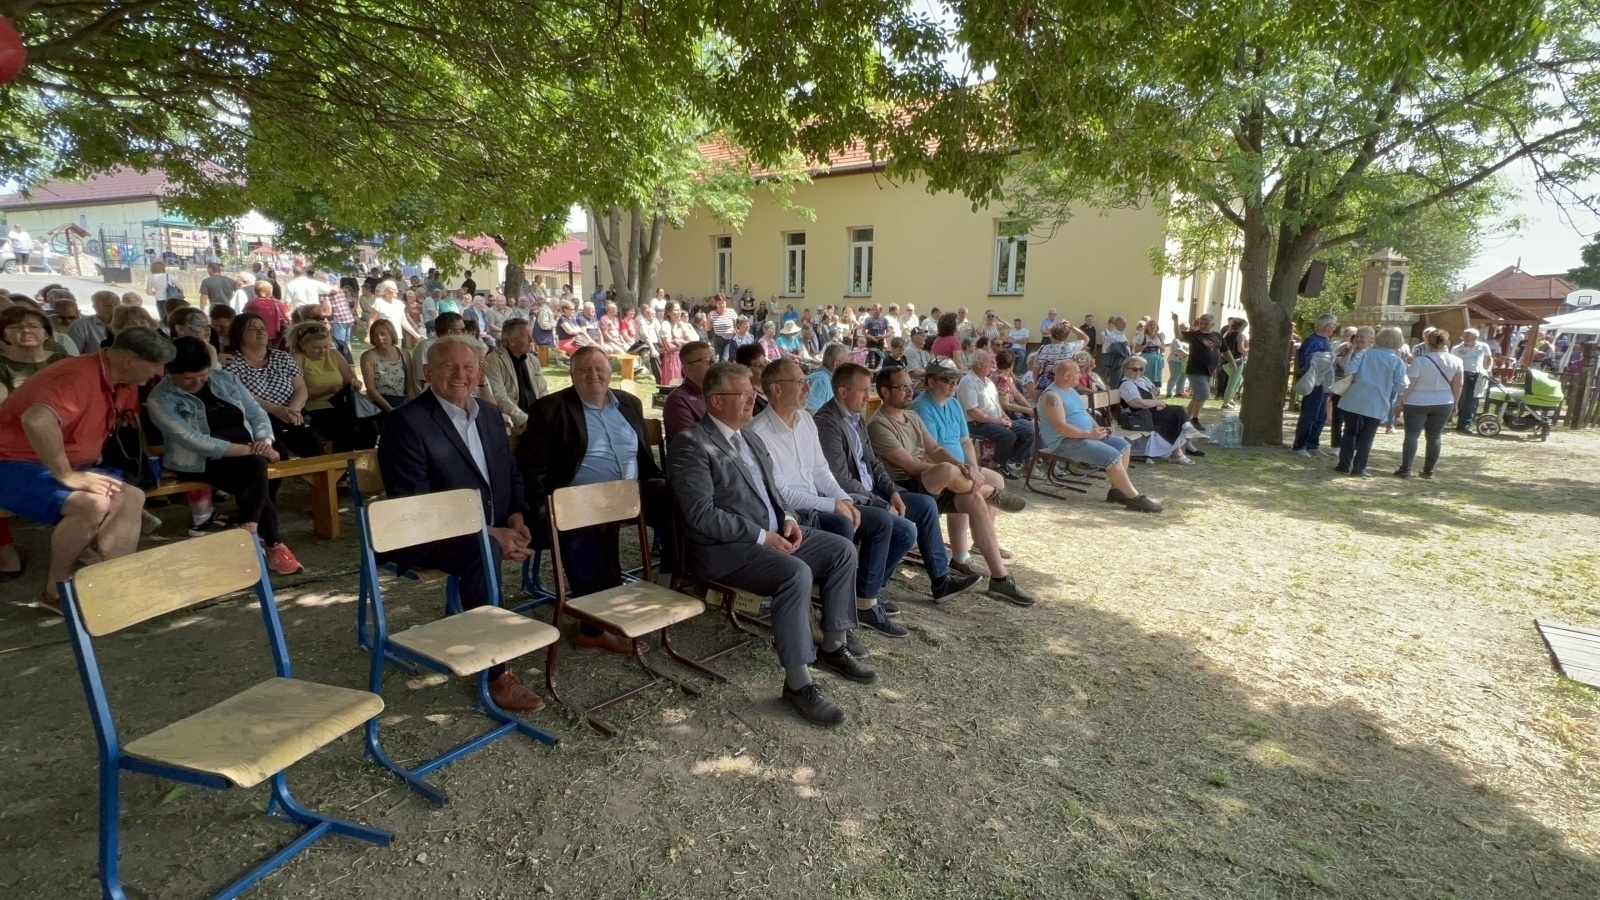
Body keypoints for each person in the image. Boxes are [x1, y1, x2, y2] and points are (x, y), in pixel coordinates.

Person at [668, 361, 870, 727]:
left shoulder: (748, 438)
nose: (752, 400)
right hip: (725, 550)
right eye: (743, 394)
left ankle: (833, 645)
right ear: (715, 401)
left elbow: (775, 493)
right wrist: (764, 536)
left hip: (772, 534)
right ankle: (798, 684)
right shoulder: (691, 445)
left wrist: (789, 520)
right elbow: (701, 515)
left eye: (752, 392)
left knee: (841, 549)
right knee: (795, 573)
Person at [377, 337, 542, 711]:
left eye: (468, 367)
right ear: (426, 373)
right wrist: (489, 533)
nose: (460, 375)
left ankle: (588, 623)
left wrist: (516, 516)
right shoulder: (405, 422)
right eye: (449, 367)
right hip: (425, 534)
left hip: (489, 524)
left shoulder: (487, 413)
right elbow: (414, 505)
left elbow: (509, 473)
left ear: (480, 372)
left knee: (550, 520)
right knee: (483, 551)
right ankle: (495, 673)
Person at [0, 327, 172, 609]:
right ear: (129, 360)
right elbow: (37, 421)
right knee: (91, 504)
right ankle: (56, 590)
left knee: (132, 497)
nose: (158, 372)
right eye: (154, 364)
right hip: (10, 463)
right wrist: (66, 475)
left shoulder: (122, 378)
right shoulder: (78, 374)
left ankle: (119, 585)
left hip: (65, 463)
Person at [518, 347, 669, 655]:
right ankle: (595, 627)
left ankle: (674, 580)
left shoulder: (629, 402)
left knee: (678, 500)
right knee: (586, 523)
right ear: (571, 375)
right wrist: (539, 508)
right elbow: (531, 468)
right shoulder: (551, 409)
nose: (593, 375)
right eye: (584, 370)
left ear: (610, 372)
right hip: (576, 501)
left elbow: (642, 454)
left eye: (599, 368)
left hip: (629, 494)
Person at [748, 360, 914, 638]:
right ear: (776, 389)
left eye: (805, 381)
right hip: (790, 514)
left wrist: (842, 499)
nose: (807, 387)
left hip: (816, 502)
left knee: (881, 521)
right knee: (842, 525)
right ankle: (838, 624)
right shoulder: (758, 433)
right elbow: (780, 494)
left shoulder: (805, 421)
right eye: (799, 382)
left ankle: (865, 601)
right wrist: (833, 505)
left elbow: (820, 470)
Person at [815, 363, 980, 603]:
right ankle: (866, 591)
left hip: (872, 490)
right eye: (862, 390)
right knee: (904, 529)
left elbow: (873, 463)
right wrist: (881, 503)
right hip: (850, 497)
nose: (867, 395)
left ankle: (940, 581)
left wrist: (891, 492)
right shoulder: (828, 422)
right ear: (842, 392)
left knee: (925, 505)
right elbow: (840, 479)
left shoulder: (856, 418)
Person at [870, 364, 1032, 604]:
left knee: (973, 498)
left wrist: (964, 467)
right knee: (947, 470)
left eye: (909, 385)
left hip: (929, 484)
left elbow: (934, 449)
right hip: (902, 488)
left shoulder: (912, 417)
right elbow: (911, 467)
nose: (909, 391)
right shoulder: (878, 424)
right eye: (902, 387)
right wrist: (954, 469)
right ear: (884, 392)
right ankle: (991, 492)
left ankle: (1000, 580)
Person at [147, 337, 303, 575]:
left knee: (258, 467)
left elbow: (256, 413)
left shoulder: (225, 379)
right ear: (170, 372)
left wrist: (264, 439)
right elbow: (192, 439)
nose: (197, 382)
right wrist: (250, 449)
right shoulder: (160, 399)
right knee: (254, 468)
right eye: (188, 378)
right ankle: (269, 541)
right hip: (200, 460)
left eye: (202, 375)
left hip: (248, 454)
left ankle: (252, 531)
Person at [1039, 358, 1164, 512]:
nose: (1080, 376)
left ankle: (1116, 491)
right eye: (1077, 373)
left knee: (1123, 446)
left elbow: (1083, 413)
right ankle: (1135, 499)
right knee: (1112, 456)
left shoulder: (1070, 391)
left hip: (1084, 436)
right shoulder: (1051, 396)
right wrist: (1089, 434)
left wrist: (1099, 429)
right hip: (1065, 442)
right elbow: (1061, 428)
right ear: (1066, 376)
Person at [225, 313, 324, 460]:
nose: (260, 332)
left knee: (314, 445)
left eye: (262, 328)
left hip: (290, 415)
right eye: (252, 329)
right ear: (239, 335)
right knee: (277, 451)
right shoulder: (231, 362)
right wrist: (275, 409)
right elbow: (242, 395)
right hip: (257, 418)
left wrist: (292, 411)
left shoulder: (283, 357)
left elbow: (300, 389)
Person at [1335, 326, 1408, 477]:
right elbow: (1401, 384)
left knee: (1349, 431)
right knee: (1367, 436)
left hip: (1355, 397)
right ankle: (1359, 468)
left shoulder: (1365, 353)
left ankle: (1343, 464)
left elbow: (1349, 369)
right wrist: (1388, 385)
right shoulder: (1396, 361)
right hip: (1377, 400)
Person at [290, 322, 374, 451]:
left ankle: (362, 462)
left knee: (369, 426)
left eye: (326, 346)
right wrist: (327, 390)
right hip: (314, 409)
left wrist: (355, 384)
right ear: (303, 345)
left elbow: (351, 380)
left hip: (341, 407)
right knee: (344, 427)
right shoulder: (297, 358)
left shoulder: (334, 354)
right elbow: (294, 392)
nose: (322, 351)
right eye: (316, 347)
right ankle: (342, 465)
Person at [1395, 329, 1463, 478]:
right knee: (1435, 437)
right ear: (1446, 342)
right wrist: (1456, 403)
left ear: (1428, 342)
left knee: (1412, 434)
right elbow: (1458, 385)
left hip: (1417, 401)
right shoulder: (1457, 361)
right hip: (1444, 401)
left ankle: (1406, 468)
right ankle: (1429, 470)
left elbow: (1410, 384)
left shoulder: (1420, 360)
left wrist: (1399, 401)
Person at [957, 350, 1034, 478]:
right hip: (976, 423)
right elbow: (973, 412)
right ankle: (998, 464)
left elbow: (997, 405)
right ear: (979, 364)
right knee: (1008, 436)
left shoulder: (988, 381)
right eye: (989, 361)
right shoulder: (968, 382)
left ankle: (1007, 461)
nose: (993, 363)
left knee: (1028, 433)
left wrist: (1004, 416)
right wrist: (997, 421)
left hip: (994, 420)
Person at [1117, 356, 1202, 464]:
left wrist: (1159, 403)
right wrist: (1158, 402)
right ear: (1125, 369)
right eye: (1134, 369)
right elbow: (1138, 403)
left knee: (1176, 414)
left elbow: (1153, 395)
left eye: (1141, 369)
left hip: (1149, 413)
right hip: (1137, 417)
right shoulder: (1127, 384)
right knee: (1176, 413)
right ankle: (1182, 445)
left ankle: (1182, 444)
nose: (1138, 371)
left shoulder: (1142, 380)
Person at [483, 318, 550, 438]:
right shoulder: (493, 361)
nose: (531, 340)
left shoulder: (532, 360)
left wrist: (545, 415)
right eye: (526, 336)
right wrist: (524, 420)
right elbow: (499, 396)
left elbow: (542, 391)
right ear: (511, 341)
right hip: (511, 423)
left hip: (536, 419)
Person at [1291, 314, 1338, 458]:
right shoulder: (1313, 340)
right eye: (1334, 325)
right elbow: (1308, 362)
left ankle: (1313, 444)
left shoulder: (1325, 341)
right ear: (1327, 326)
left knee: (1320, 415)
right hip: (1314, 382)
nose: (1334, 328)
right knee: (1310, 414)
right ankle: (1300, 445)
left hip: (1323, 383)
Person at [0, 305, 70, 402]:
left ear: (46, 334)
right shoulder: (2, 365)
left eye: (33, 326)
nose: (26, 330)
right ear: (5, 335)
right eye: (16, 327)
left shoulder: (66, 362)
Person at [1172, 312, 1224, 429]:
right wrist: (1175, 320)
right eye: (1201, 323)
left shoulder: (1217, 336)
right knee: (1204, 395)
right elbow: (1179, 336)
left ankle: (1185, 421)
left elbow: (1225, 350)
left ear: (1212, 324)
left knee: (1197, 397)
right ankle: (1194, 419)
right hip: (1195, 370)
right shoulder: (1194, 335)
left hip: (1209, 371)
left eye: (1206, 324)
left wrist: (1232, 361)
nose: (1203, 326)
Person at [662, 340, 715, 439]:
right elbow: (691, 441)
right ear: (688, 369)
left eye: (713, 358)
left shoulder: (720, 393)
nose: (713, 363)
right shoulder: (678, 400)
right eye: (706, 360)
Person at [359, 318, 411, 413]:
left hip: (402, 403)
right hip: (378, 406)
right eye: (375, 335)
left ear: (391, 334)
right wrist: (390, 409)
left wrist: (411, 406)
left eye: (383, 334)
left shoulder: (404, 354)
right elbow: (370, 388)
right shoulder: (368, 357)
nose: (379, 338)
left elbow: (410, 383)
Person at [1452, 328, 1495, 433]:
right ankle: (1456, 421)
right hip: (1461, 374)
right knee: (1460, 399)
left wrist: (1488, 369)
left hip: (1477, 375)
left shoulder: (1483, 346)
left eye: (1469, 336)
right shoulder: (1456, 348)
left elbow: (1489, 359)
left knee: (1472, 400)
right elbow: (1451, 362)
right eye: (1464, 336)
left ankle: (1466, 424)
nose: (1465, 338)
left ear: (1475, 337)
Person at [806, 343, 849, 410]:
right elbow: (809, 411)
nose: (850, 368)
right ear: (836, 363)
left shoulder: (827, 378)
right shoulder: (821, 381)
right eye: (847, 364)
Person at [1218, 318, 1249, 409]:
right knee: (1232, 383)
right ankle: (1225, 403)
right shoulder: (1240, 335)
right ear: (1242, 326)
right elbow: (1240, 349)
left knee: (1239, 379)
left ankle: (1230, 398)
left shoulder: (1228, 334)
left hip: (1225, 362)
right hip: (1237, 361)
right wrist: (1248, 348)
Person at [734, 343, 772, 414]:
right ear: (745, 369)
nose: (765, 368)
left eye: (765, 363)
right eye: (759, 365)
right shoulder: (745, 398)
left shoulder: (770, 386)